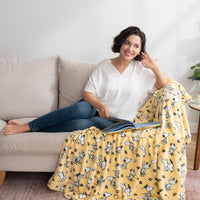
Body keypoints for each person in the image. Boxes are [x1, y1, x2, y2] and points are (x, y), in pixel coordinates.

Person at [5, 26, 168, 135]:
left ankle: (30, 128)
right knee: (80, 110)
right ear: (121, 43)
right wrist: (100, 105)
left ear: (141, 50)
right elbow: (88, 93)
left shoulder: (141, 69)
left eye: (136, 46)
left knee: (82, 124)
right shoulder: (105, 65)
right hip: (94, 107)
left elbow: (163, 86)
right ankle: (27, 126)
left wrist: (154, 67)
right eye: (127, 43)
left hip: (116, 120)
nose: (130, 49)